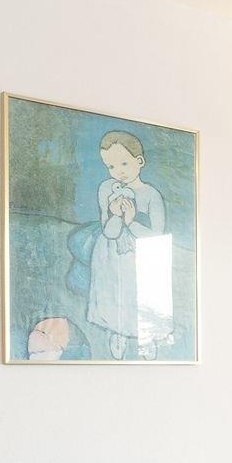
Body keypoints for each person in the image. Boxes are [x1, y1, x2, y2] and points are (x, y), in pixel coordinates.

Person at [86, 130, 166, 358]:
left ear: (139, 161)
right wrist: (115, 215)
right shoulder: (107, 189)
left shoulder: (152, 195)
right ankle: (117, 331)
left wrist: (131, 221)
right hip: (110, 252)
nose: (118, 171)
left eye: (123, 163)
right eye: (111, 166)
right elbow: (109, 232)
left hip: (141, 253)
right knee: (114, 291)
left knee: (140, 293)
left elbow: (157, 237)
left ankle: (147, 336)